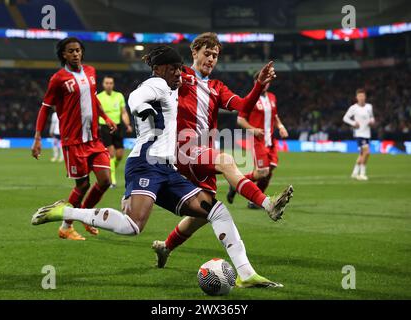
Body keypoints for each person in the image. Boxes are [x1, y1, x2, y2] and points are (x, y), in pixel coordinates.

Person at [31, 45, 282, 288]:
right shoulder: (157, 83)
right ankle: (67, 212)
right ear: (160, 69)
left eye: (179, 69)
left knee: (215, 211)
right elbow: (136, 97)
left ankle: (246, 274)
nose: (178, 74)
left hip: (168, 169)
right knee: (133, 227)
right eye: (173, 69)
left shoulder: (176, 86)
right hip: (145, 164)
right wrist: (144, 108)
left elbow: (227, 100)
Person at [152, 32, 293, 269]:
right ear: (194, 52)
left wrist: (258, 84)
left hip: (203, 150)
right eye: (207, 53)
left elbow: (243, 106)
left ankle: (166, 247)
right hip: (183, 149)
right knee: (227, 160)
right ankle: (267, 204)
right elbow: (159, 78)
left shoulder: (217, 87)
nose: (211, 59)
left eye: (215, 56)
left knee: (202, 213)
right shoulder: (181, 76)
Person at [31, 37, 117, 240]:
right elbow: (45, 108)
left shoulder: (91, 72)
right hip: (74, 140)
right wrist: (37, 138)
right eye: (71, 51)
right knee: (83, 185)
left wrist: (105, 117)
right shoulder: (58, 79)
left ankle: (85, 217)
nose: (76, 54)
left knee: (105, 181)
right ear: (64, 54)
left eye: (78, 50)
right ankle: (66, 227)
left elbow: (93, 99)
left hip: (94, 139)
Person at [227, 71, 289, 208]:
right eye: (262, 81)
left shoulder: (272, 97)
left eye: (268, 81)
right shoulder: (251, 99)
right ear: (256, 82)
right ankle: (235, 183)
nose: (265, 84)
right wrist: (253, 130)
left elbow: (275, 115)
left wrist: (281, 126)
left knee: (269, 170)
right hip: (257, 140)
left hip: (271, 140)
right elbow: (240, 120)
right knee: (262, 172)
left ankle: (254, 201)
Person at [97, 76, 133, 188]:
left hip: (118, 126)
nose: (109, 85)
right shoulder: (99, 97)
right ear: (103, 84)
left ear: (113, 84)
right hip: (104, 126)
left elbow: (124, 112)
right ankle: (112, 180)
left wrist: (127, 124)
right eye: (106, 83)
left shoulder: (119, 96)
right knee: (111, 153)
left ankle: (110, 170)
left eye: (111, 83)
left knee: (119, 155)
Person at [342, 88, 375, 181]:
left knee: (362, 154)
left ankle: (354, 172)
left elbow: (372, 117)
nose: (361, 98)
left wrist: (372, 122)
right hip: (359, 134)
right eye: (359, 96)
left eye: (363, 96)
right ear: (356, 97)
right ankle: (362, 173)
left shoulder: (369, 107)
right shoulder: (353, 108)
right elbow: (345, 118)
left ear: (365, 97)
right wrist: (353, 123)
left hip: (367, 133)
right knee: (367, 152)